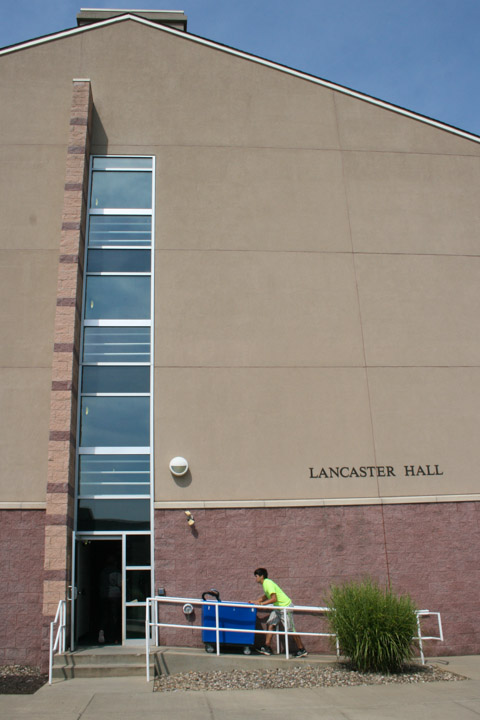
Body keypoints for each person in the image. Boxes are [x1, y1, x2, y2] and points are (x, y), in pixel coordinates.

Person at [252, 568, 307, 657]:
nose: (255, 578)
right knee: (271, 624)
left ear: (262, 576)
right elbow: (266, 596)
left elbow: (274, 599)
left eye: (256, 576)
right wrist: (255, 601)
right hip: (278, 608)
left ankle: (302, 649)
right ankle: (267, 646)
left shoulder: (267, 583)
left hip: (285, 607)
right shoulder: (266, 584)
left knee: (290, 630)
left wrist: (262, 604)